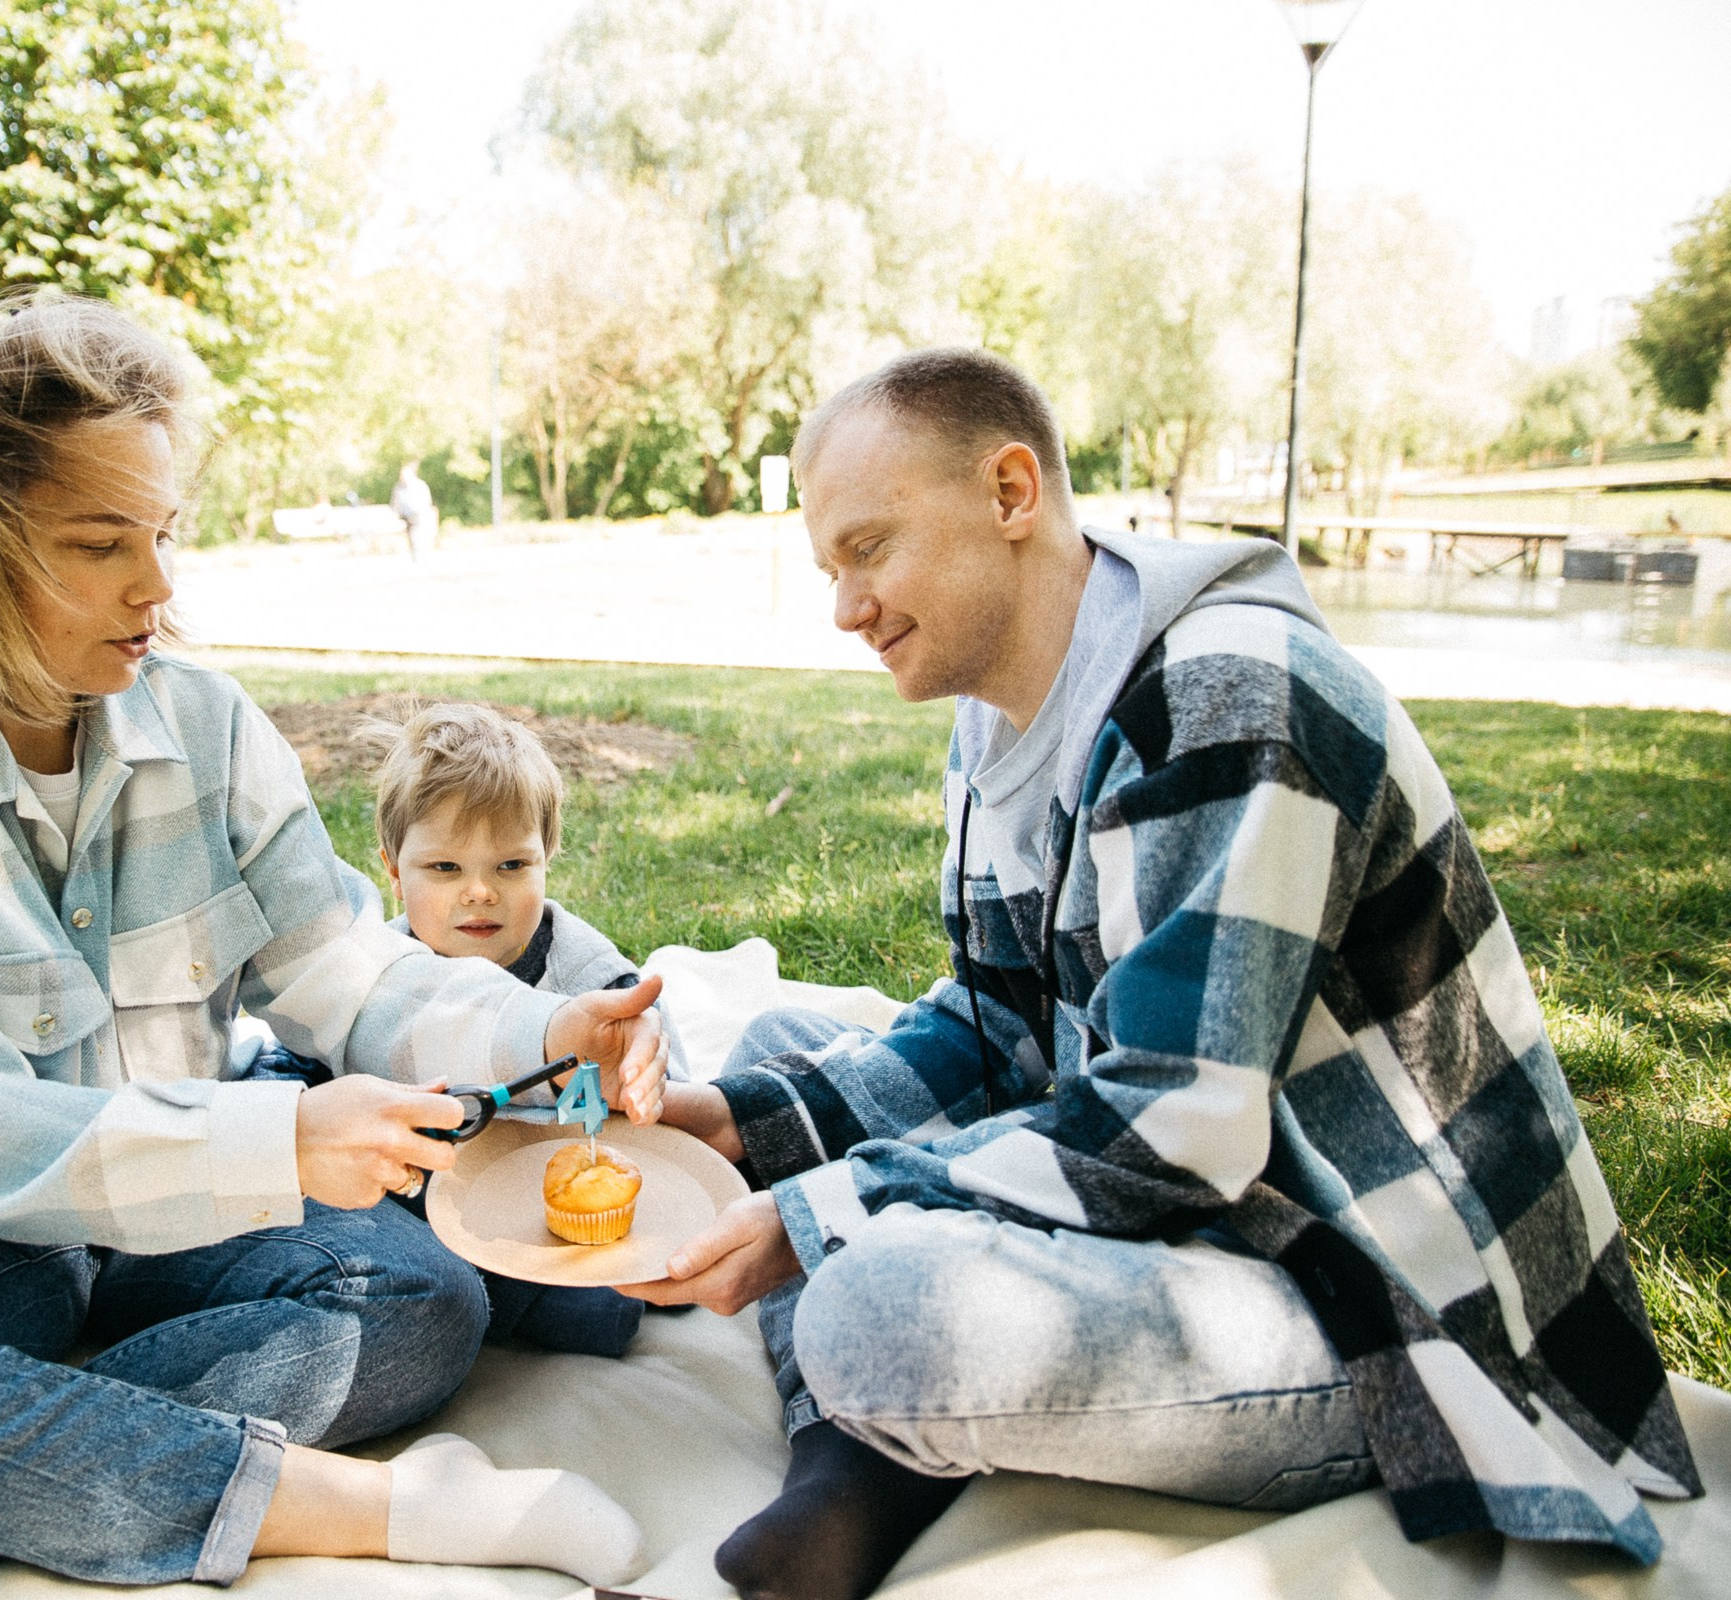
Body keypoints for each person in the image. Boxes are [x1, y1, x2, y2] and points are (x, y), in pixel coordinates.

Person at [631, 347, 1700, 1600]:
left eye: (869, 549)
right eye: (830, 568)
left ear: (1011, 491)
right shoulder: (1000, 715)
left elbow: (1173, 1128)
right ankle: (847, 1476)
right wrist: (735, 1123)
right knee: (774, 1067)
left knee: (874, 1304)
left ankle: (872, 1427)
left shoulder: (1233, 697)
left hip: (1385, 1300)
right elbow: (999, 1029)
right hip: (1203, 1213)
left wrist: (827, 1212)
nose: (845, 607)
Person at [0, 292, 668, 1589]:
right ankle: (384, 1507)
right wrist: (277, 1141)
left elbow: (344, 966)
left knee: (426, 1299)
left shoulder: (207, 725)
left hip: (193, 1220)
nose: (157, 586)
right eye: (104, 543)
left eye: (162, 534)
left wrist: (546, 1026)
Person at [250, 701, 688, 1355]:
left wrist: (637, 1081)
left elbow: (669, 1104)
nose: (480, 891)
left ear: (547, 857)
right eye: (446, 868)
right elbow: (308, 1063)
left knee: (605, 1309)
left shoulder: (597, 984)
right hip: (413, 1193)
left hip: (536, 1198)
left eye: (510, 866)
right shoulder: (368, 976)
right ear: (393, 871)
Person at [392, 458, 438, 560]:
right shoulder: (399, 487)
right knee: (411, 538)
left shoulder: (420, 485)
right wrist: (396, 513)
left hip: (419, 515)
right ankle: (415, 557)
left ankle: (422, 556)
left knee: (418, 536)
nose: (403, 477)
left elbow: (427, 501)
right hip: (406, 516)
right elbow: (395, 502)